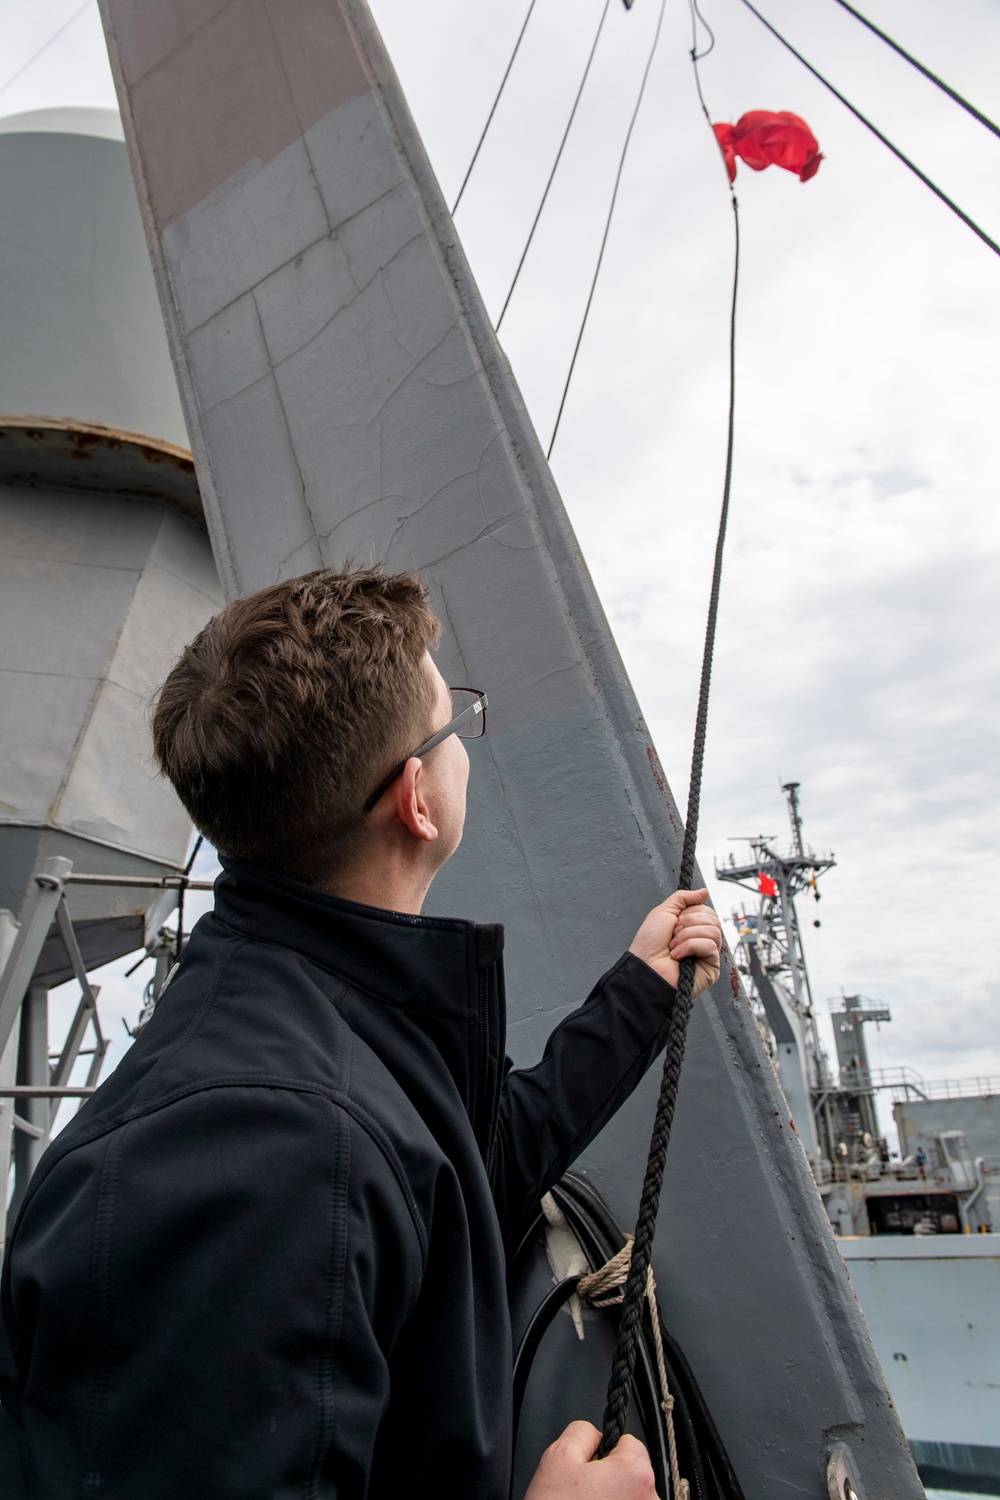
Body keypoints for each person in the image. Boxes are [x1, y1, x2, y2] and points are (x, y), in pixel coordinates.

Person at [0, 568, 722, 1499]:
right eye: (454, 718)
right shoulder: (259, 1156)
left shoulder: (317, 1020)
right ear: (417, 799)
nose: (467, 736)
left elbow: (455, 1178)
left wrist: (641, 989)